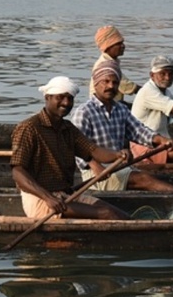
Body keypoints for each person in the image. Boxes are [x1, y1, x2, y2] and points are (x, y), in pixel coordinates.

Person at [10, 76, 130, 220]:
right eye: (60, 97)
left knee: (116, 213)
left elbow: (93, 151)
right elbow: (18, 172)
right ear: (47, 98)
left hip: (65, 195)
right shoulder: (29, 128)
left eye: (70, 98)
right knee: (107, 214)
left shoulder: (68, 128)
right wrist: (48, 197)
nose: (66, 103)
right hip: (41, 200)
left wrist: (118, 155)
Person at [71, 60, 173, 192]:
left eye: (115, 83)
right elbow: (76, 148)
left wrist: (160, 139)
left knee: (148, 177)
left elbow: (138, 131)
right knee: (144, 179)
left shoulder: (121, 109)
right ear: (96, 83)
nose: (111, 86)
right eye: (106, 81)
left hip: (119, 166)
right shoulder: (84, 112)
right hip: (95, 174)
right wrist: (95, 166)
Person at [91, 26, 140, 104]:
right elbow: (127, 86)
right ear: (108, 47)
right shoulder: (106, 65)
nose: (123, 46)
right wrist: (147, 91)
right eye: (118, 44)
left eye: (122, 42)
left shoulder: (111, 62)